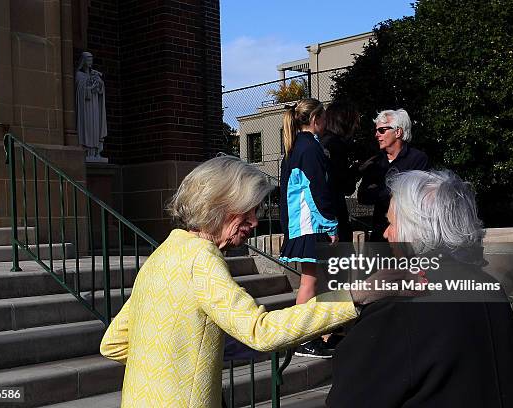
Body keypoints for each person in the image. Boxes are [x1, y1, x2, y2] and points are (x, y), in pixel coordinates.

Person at [100, 156, 415, 408]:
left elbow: (113, 342)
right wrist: (354, 295)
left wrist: (189, 349)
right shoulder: (201, 259)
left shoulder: (164, 253)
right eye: (248, 210)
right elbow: (261, 332)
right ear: (219, 205)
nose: (254, 221)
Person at [327, 170, 513, 408]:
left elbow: (350, 396)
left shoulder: (400, 302)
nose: (385, 233)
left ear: (413, 228)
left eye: (391, 223)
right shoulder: (489, 288)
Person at [278, 98, 338, 358]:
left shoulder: (295, 148)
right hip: (310, 224)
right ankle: (301, 338)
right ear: (315, 120)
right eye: (323, 119)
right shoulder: (310, 148)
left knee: (314, 280)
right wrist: (330, 223)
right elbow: (317, 190)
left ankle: (316, 334)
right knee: (310, 282)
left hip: (301, 224)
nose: (325, 124)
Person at [357, 109, 428, 241]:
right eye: (376, 130)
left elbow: (415, 196)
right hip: (379, 233)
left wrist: (379, 190)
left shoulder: (417, 159)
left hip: (408, 234)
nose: (377, 135)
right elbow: (363, 196)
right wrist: (395, 190)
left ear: (398, 132)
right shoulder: (375, 162)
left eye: (382, 130)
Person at [320, 101, 361, 243]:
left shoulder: (321, 141)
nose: (356, 126)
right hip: (335, 215)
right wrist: (357, 170)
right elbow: (345, 185)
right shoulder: (336, 145)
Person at [75, 51, 107, 160]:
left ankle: (96, 152)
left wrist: (99, 83)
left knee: (96, 127)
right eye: (88, 60)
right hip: (86, 108)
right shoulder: (79, 75)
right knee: (88, 128)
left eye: (91, 60)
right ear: (83, 61)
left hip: (95, 106)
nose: (90, 62)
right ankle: (88, 152)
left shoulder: (94, 74)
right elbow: (80, 90)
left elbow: (100, 91)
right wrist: (89, 87)